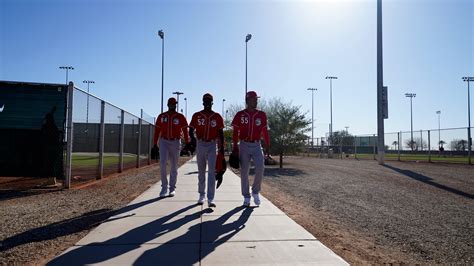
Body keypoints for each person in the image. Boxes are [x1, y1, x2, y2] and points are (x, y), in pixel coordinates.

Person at [231, 91, 270, 207]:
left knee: (260, 167)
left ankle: (255, 192)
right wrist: (235, 147)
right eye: (254, 99)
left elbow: (265, 131)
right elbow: (235, 132)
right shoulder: (240, 114)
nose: (256, 101)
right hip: (244, 144)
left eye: (256, 99)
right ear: (247, 100)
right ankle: (246, 197)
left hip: (257, 144)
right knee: (244, 171)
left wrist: (267, 145)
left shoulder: (261, 114)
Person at [189, 93, 225, 207]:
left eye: (209, 101)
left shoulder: (217, 116)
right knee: (201, 171)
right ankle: (201, 195)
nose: (207, 103)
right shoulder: (197, 115)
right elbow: (191, 129)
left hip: (212, 144)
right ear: (203, 102)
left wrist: (222, 148)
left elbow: (221, 133)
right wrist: (193, 139)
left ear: (212, 102)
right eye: (206, 101)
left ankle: (211, 198)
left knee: (211, 172)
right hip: (200, 143)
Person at [153, 97, 190, 198]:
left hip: (175, 141)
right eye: (171, 104)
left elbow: (185, 130)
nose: (173, 105)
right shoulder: (162, 116)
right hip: (164, 141)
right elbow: (157, 131)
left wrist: (187, 142)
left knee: (174, 165)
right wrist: (154, 144)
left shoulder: (180, 116)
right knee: (163, 163)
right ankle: (164, 187)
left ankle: (172, 188)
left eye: (175, 104)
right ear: (168, 104)